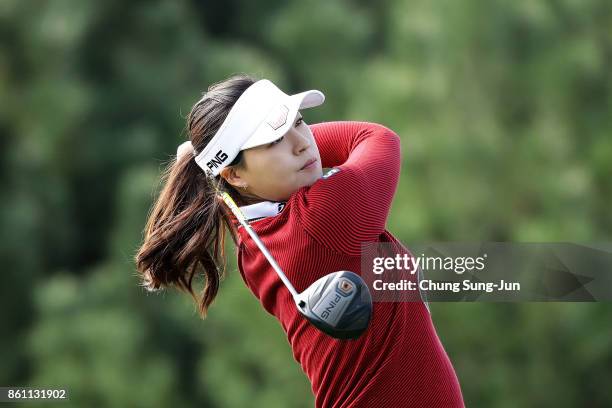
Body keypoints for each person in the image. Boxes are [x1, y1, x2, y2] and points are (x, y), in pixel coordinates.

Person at [135, 74, 464, 407]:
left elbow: (230, 188)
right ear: (235, 175)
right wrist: (208, 158)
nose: (303, 143)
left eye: (300, 122)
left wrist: (213, 157)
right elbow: (376, 137)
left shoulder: (252, 239)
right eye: (274, 139)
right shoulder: (326, 215)